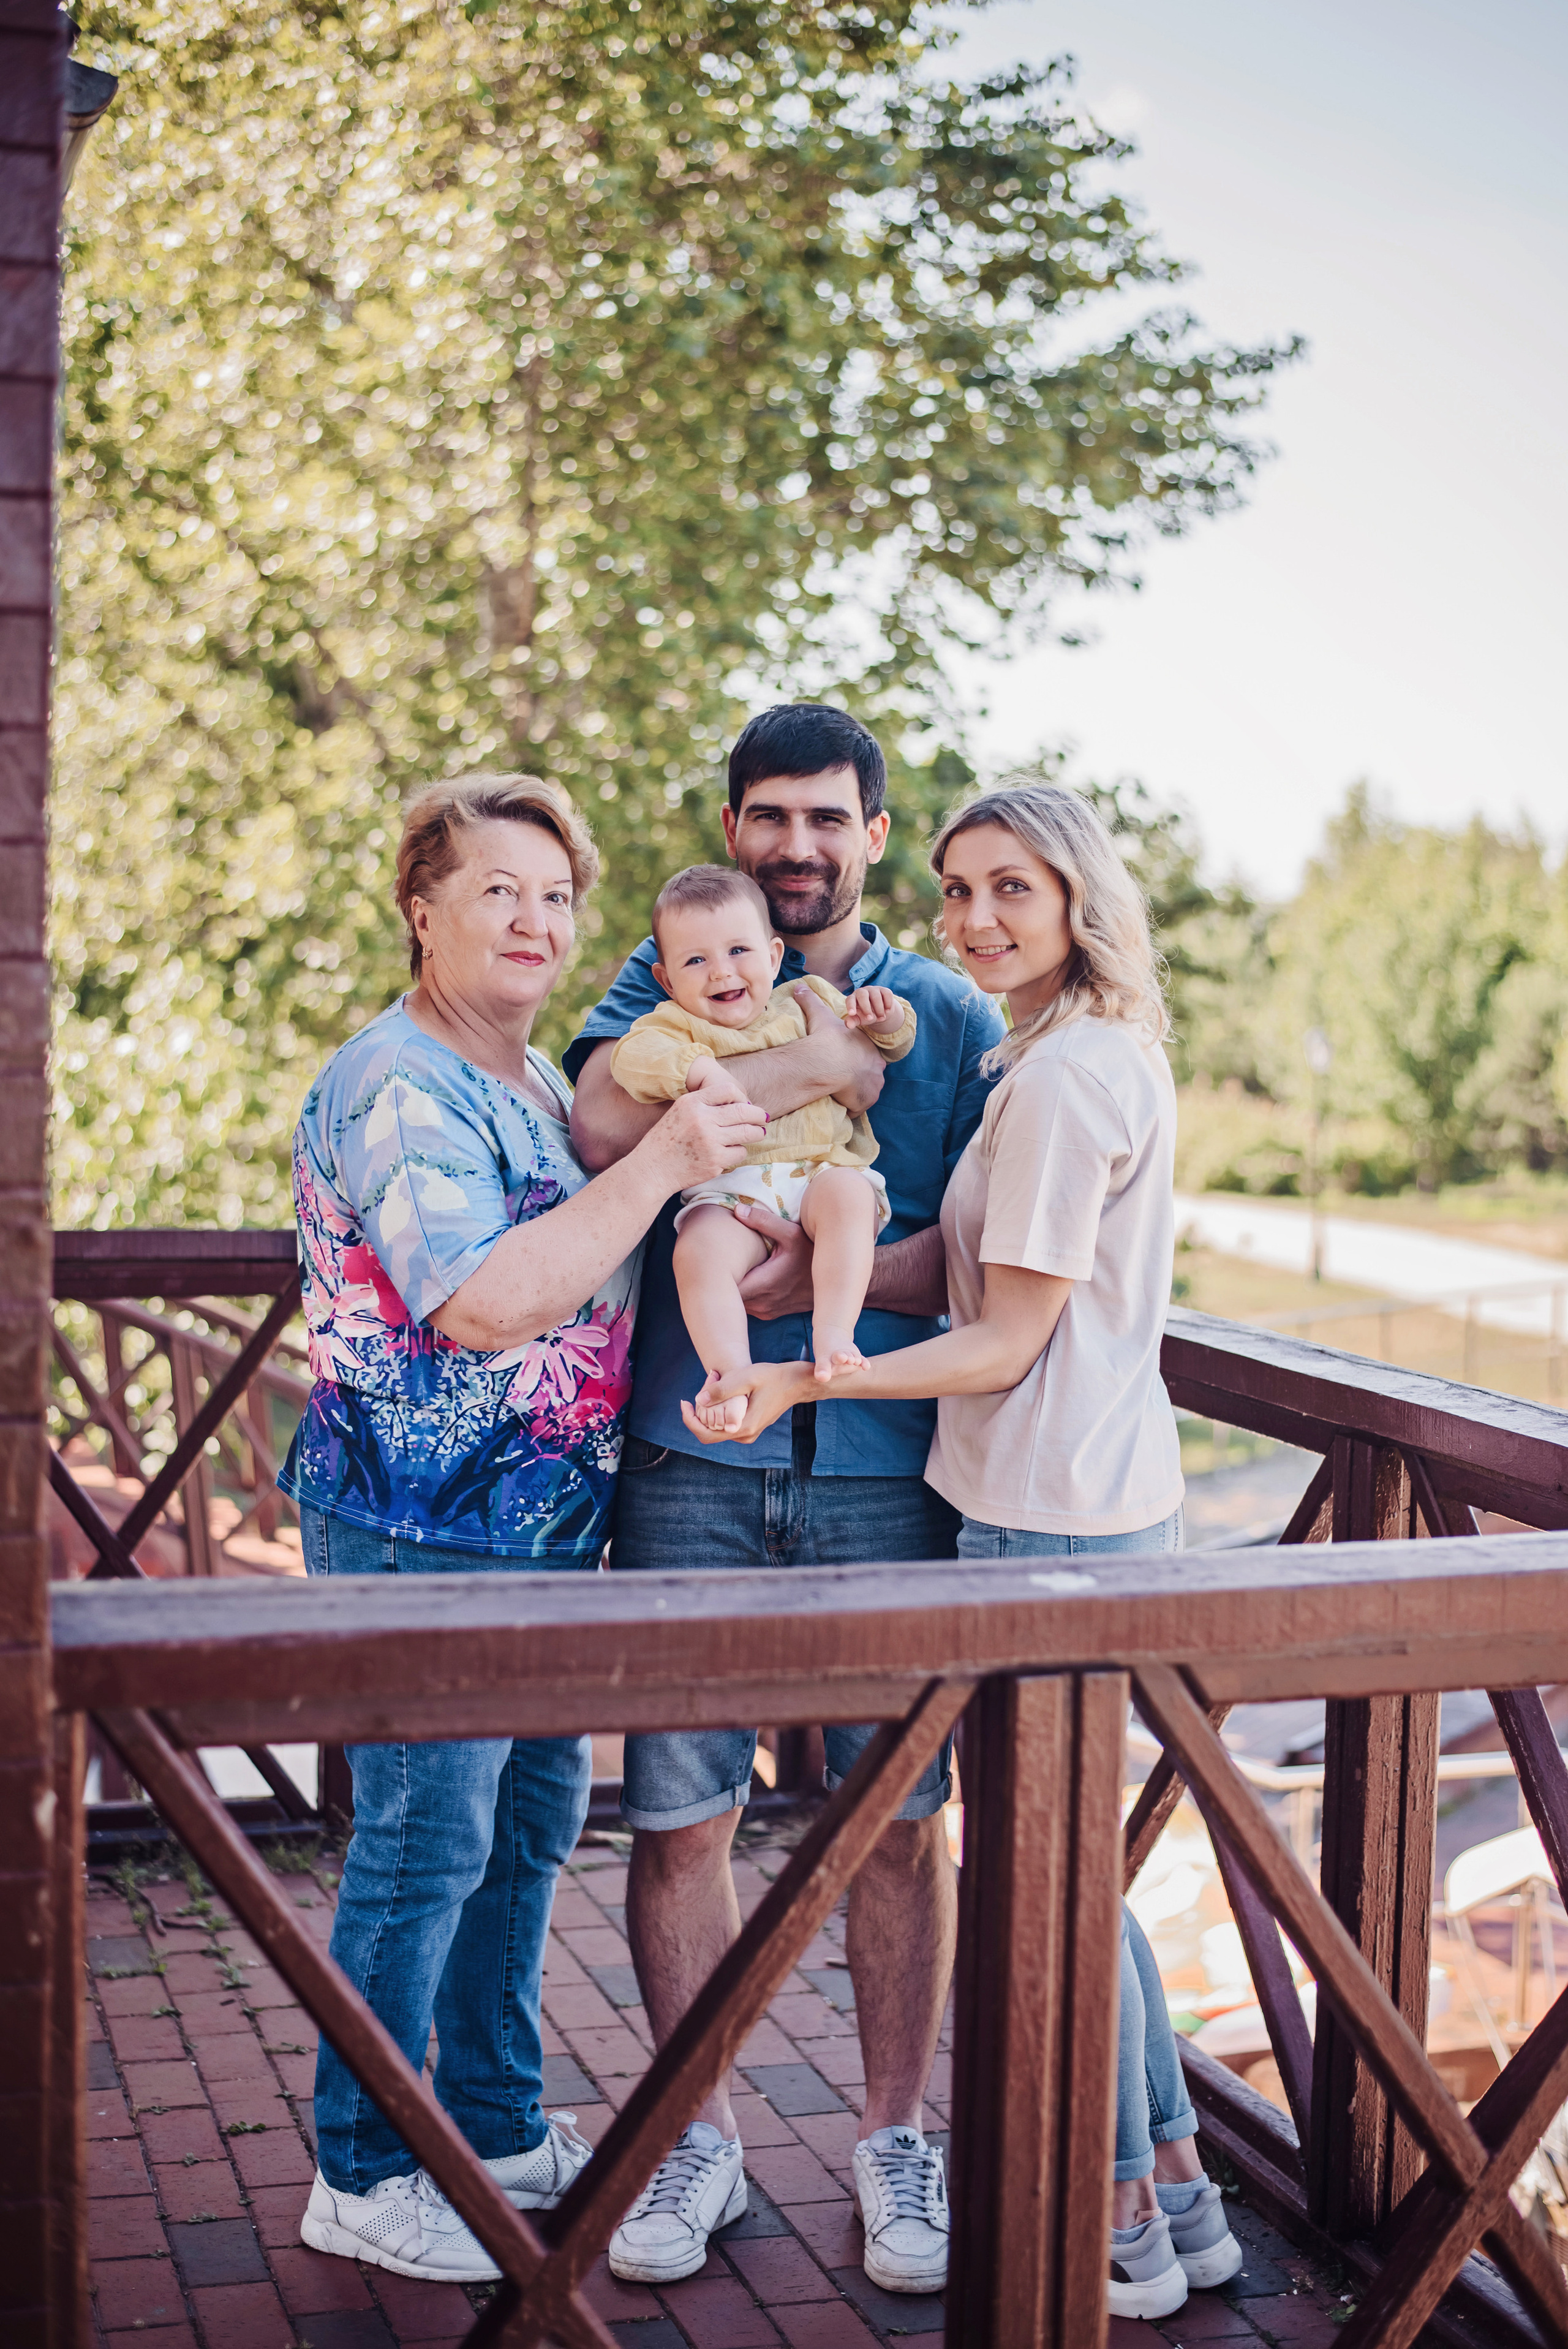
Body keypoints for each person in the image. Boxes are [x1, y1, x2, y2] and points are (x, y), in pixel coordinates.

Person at [683, 781, 1244, 2318]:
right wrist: (815, 1277)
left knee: (1047, 1875)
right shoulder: (1054, 1053)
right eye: (954, 890)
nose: (974, 919)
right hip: (1057, 1492)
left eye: (1010, 888)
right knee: (1063, 1869)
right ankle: (1182, 2193)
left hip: (1049, 1508)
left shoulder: (1063, 1081)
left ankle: (1125, 2206)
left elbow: (1001, 1336)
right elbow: (967, 1255)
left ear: (1076, 897)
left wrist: (813, 1370)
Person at [277, 773, 764, 2286]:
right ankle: (356, 2172)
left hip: (538, 1528)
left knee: (523, 1832)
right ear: (418, 907)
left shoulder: (532, 1076)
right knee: (426, 1847)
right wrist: (666, 1165)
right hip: (420, 1527)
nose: (534, 920)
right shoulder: (400, 1081)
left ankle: (486, 2123)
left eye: (556, 895)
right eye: (498, 889)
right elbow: (482, 1300)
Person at [565, 704, 1005, 2293]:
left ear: (877, 831)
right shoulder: (669, 968)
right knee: (682, 1814)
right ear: (734, 826)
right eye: (771, 817)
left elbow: (965, 1250)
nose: (798, 846)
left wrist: (794, 1261)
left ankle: (898, 2141)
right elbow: (593, 1129)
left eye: (830, 819)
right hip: (690, 1456)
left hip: (890, 1472)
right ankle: (695, 2134)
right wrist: (804, 1057)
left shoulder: (946, 1008)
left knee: (899, 1825)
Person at [610, 862, 916, 1426]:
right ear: (666, 980)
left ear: (774, 957)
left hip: (820, 1172)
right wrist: (698, 1068)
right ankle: (729, 1374)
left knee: (850, 1199)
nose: (720, 972)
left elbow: (888, 1046)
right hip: (731, 1194)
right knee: (697, 1253)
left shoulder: (808, 998)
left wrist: (889, 1015)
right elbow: (631, 1060)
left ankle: (835, 1336)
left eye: (738, 951)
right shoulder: (673, 1026)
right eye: (695, 960)